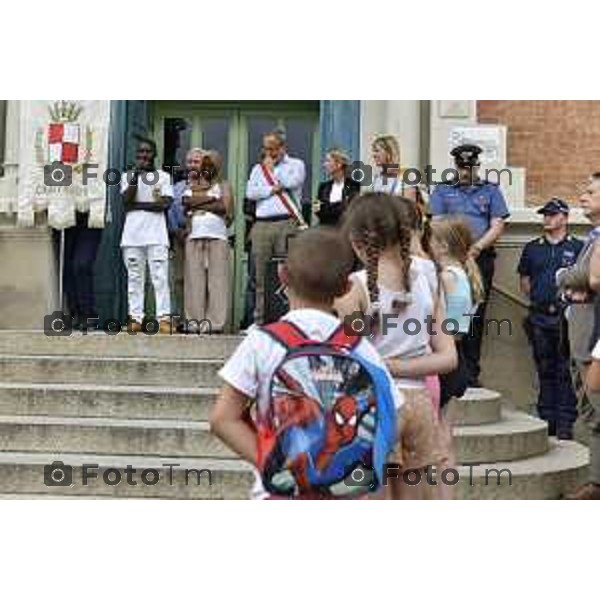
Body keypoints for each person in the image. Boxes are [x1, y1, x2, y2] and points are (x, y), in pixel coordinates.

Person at [210, 227, 403, 499]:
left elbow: (222, 419)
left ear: (282, 276)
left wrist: (276, 467)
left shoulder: (262, 342)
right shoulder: (359, 345)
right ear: (346, 287)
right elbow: (395, 417)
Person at [336, 193, 457, 499]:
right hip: (418, 402)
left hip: (374, 403)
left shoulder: (353, 287)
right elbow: (448, 357)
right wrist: (402, 367)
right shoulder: (429, 275)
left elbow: (349, 359)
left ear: (356, 240)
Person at [429, 143, 510, 387]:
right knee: (446, 313)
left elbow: (497, 224)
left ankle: (471, 372)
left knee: (476, 316)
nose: (466, 172)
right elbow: (437, 221)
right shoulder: (443, 190)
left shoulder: (491, 190)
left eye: (470, 167)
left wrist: (475, 249)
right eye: (462, 167)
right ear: (456, 166)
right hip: (449, 258)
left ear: (477, 165)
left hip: (479, 257)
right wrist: (455, 251)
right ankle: (450, 365)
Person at [517, 198, 582, 439]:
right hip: (540, 316)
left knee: (566, 369)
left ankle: (565, 423)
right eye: (545, 214)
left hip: (568, 316)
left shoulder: (578, 247)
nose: (547, 218)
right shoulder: (533, 247)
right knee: (544, 367)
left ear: (564, 217)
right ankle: (547, 420)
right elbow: (525, 282)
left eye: (552, 214)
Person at [557, 173, 600, 499]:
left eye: (590, 192)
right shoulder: (592, 236)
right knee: (590, 411)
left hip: (592, 337)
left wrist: (567, 277)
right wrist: (575, 286)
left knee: (598, 407)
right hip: (578, 332)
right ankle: (596, 482)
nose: (582, 196)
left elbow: (589, 278)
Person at [246, 129, 306, 325]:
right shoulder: (257, 169)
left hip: (286, 222)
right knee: (260, 274)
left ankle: (289, 319)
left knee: (288, 273)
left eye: (272, 149)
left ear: (282, 148)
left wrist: (271, 172)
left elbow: (292, 182)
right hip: (262, 224)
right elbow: (251, 193)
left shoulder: (296, 164)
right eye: (266, 149)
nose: (269, 153)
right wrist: (272, 188)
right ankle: (259, 320)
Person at [427, 217, 484, 407]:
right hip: (458, 355)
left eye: (430, 240)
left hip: (444, 355)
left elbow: (446, 324)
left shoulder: (446, 277)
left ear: (442, 246)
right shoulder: (464, 273)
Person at [120, 137, 173, 333]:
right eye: (140, 153)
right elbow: (126, 202)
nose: (144, 156)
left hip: (157, 236)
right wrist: (136, 177)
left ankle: (164, 319)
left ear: (154, 154)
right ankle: (135, 318)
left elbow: (165, 204)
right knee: (134, 277)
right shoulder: (127, 176)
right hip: (132, 237)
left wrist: (138, 206)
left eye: (147, 152)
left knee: (159, 277)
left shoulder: (163, 177)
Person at [183, 149, 234, 334]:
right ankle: (194, 322)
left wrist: (200, 202)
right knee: (194, 282)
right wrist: (212, 200)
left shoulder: (224, 185)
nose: (207, 168)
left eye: (211, 165)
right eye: (204, 165)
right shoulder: (191, 184)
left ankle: (215, 323)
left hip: (218, 238)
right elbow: (187, 202)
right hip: (194, 237)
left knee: (217, 282)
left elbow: (224, 207)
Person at [168, 149, 205, 328]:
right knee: (179, 280)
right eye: (189, 162)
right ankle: (180, 319)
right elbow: (169, 211)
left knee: (200, 280)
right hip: (180, 237)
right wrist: (176, 231)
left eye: (196, 162)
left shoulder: (209, 186)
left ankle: (198, 320)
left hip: (201, 236)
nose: (192, 165)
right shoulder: (177, 188)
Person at [59, 211, 102, 329]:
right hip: (63, 216)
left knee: (82, 264)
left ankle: (88, 314)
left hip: (90, 216)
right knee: (66, 266)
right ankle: (74, 313)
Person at [315, 148, 360, 226]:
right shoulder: (323, 187)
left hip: (344, 230)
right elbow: (318, 212)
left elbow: (348, 210)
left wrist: (327, 207)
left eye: (328, 161)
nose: (324, 164)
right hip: (326, 230)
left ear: (339, 164)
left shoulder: (353, 185)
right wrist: (338, 205)